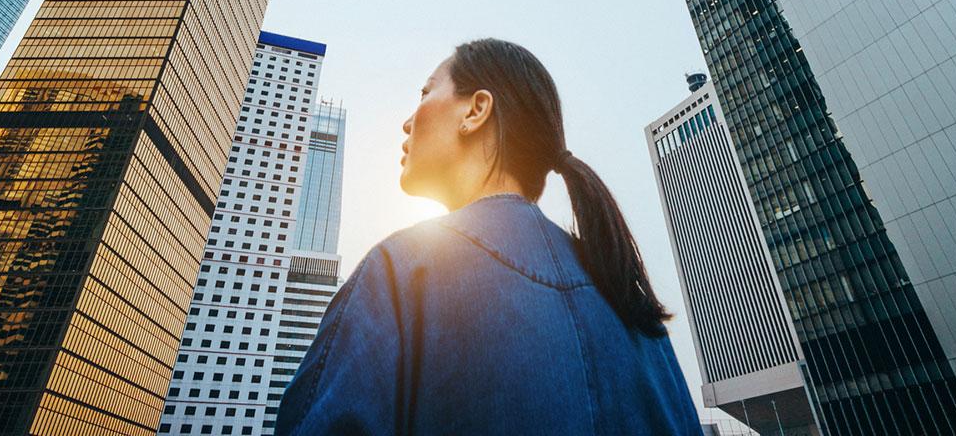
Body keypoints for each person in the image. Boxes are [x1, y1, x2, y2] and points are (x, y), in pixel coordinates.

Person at [275, 38, 702, 436]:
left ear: (476, 111)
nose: (407, 122)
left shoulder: (400, 272)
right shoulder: (632, 305)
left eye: (425, 94)